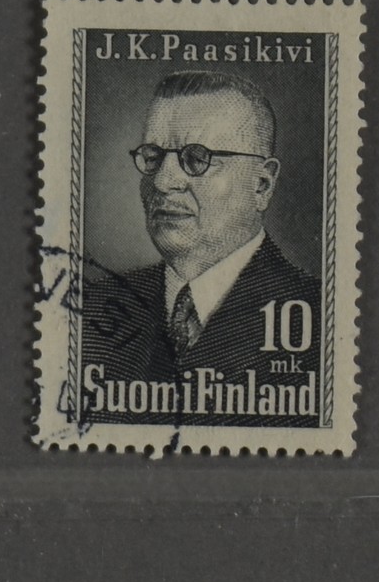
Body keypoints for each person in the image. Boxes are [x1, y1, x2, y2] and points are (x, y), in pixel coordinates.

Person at [80, 69, 318, 399]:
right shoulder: (93, 310)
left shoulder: (321, 316)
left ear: (261, 185)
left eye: (196, 158)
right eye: (153, 157)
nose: (162, 182)